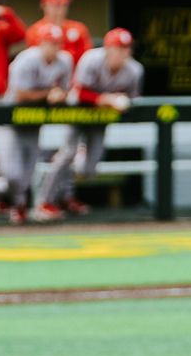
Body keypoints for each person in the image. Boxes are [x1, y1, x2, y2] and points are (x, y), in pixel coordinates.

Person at [38, 28, 143, 216]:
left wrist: (120, 101)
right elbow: (79, 92)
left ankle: (67, 192)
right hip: (79, 112)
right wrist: (106, 99)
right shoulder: (92, 59)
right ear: (108, 48)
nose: (123, 53)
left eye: (126, 48)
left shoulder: (134, 69)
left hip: (100, 119)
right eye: (119, 48)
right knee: (67, 153)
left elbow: (132, 98)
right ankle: (45, 201)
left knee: (88, 170)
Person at [0, 24, 71, 224]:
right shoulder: (26, 60)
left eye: (57, 44)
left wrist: (59, 95)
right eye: (49, 43)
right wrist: (49, 94)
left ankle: (18, 207)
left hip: (32, 122)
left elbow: (64, 92)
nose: (53, 48)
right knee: (12, 174)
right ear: (41, 43)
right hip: (9, 121)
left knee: (27, 173)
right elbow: (20, 96)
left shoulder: (65, 61)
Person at [25, 0, 91, 69]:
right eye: (55, 5)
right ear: (43, 5)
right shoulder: (34, 31)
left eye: (64, 5)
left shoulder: (79, 29)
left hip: (73, 80)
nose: (60, 10)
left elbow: (87, 62)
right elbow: (33, 64)